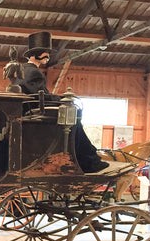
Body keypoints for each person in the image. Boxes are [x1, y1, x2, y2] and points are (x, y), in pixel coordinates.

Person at [18, 31, 109, 173]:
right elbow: (40, 96)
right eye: (46, 53)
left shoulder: (23, 70)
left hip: (30, 110)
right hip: (36, 112)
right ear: (38, 54)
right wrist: (62, 99)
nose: (48, 57)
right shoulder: (33, 72)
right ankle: (89, 161)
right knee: (74, 120)